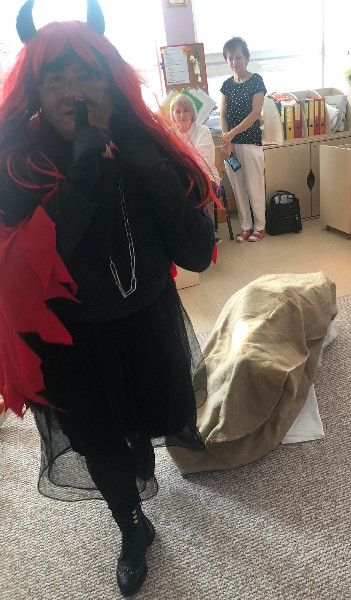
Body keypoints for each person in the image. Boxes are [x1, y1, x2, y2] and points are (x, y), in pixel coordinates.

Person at [0, 1, 214, 597]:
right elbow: (24, 274)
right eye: (57, 79)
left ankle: (136, 473)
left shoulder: (149, 147)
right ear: (37, 89)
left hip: (147, 322)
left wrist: (147, 166)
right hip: (70, 341)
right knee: (99, 444)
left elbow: (197, 252)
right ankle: (131, 527)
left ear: (110, 81)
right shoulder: (17, 165)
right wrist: (81, 175)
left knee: (148, 424)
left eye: (87, 75)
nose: (74, 93)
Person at [220, 36, 267, 242]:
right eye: (230, 58)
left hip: (250, 143)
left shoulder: (256, 80)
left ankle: (260, 226)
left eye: (238, 57)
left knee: (254, 186)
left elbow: (255, 113)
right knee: (238, 188)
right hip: (232, 146)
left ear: (246, 58)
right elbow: (223, 115)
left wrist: (231, 134)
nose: (234, 62)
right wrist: (227, 141)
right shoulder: (226, 85)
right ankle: (246, 226)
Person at [170, 93, 222, 243]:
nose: (182, 115)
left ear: (192, 112)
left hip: (206, 178)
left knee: (191, 191)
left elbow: (203, 161)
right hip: (179, 179)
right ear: (173, 114)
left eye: (186, 110)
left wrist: (179, 163)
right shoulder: (169, 133)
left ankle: (207, 229)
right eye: (178, 111)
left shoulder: (202, 131)